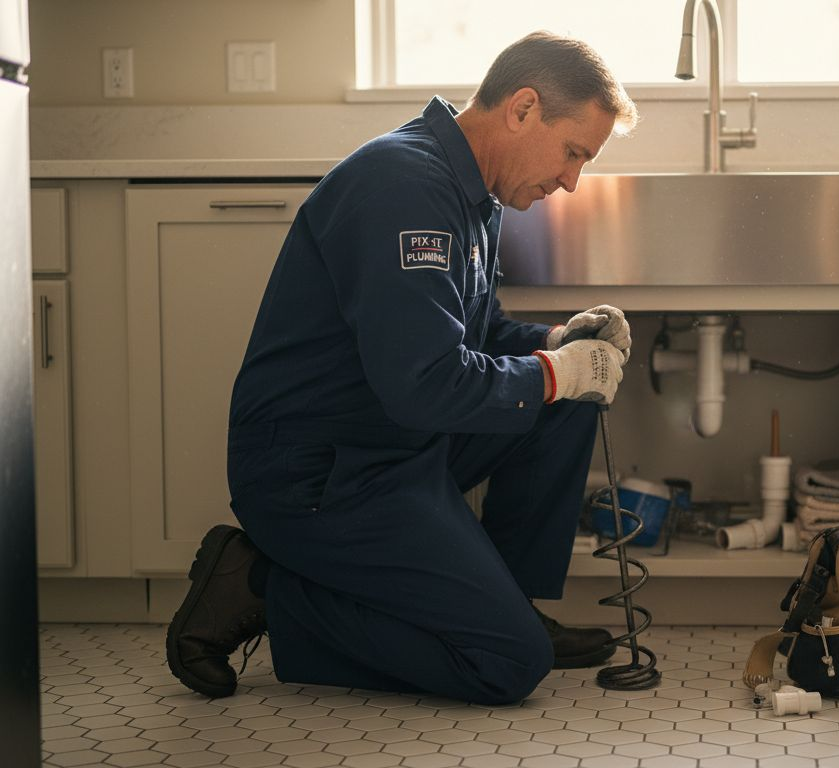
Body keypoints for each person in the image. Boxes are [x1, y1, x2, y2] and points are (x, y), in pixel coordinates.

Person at [164, 31, 639, 704]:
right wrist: (558, 371)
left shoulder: (472, 192)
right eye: (573, 152)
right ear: (523, 108)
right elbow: (426, 384)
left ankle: (498, 601)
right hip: (320, 476)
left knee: (564, 401)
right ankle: (262, 586)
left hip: (393, 444)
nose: (571, 180)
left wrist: (564, 343)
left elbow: (479, 335)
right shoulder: (404, 187)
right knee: (507, 664)